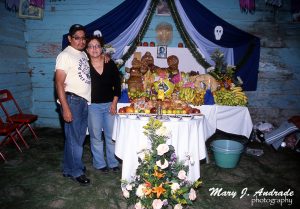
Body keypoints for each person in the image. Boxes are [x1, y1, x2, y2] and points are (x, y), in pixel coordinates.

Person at [55, 24, 91, 185]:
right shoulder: (65, 55)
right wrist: (65, 108)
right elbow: (58, 83)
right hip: (72, 101)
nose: (81, 41)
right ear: (70, 38)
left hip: (83, 101)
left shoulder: (83, 53)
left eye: (83, 38)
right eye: (77, 37)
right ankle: (76, 171)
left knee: (76, 137)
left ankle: (68, 168)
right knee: (75, 139)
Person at [86, 35, 121, 173]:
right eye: (91, 46)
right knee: (96, 136)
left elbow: (117, 85)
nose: (94, 49)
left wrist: (114, 104)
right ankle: (100, 164)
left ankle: (113, 163)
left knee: (111, 136)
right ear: (87, 49)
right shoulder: (83, 64)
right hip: (92, 106)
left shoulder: (109, 63)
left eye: (97, 46)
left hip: (109, 105)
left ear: (102, 48)